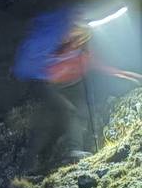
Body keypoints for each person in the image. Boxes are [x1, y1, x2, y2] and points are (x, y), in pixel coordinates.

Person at [15, 9, 142, 165]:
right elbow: (45, 67)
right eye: (76, 35)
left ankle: (45, 160)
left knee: (74, 115)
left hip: (63, 86)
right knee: (68, 111)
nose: (79, 39)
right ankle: (71, 151)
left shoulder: (82, 52)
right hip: (45, 85)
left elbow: (99, 65)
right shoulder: (59, 49)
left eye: (82, 37)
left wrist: (124, 74)